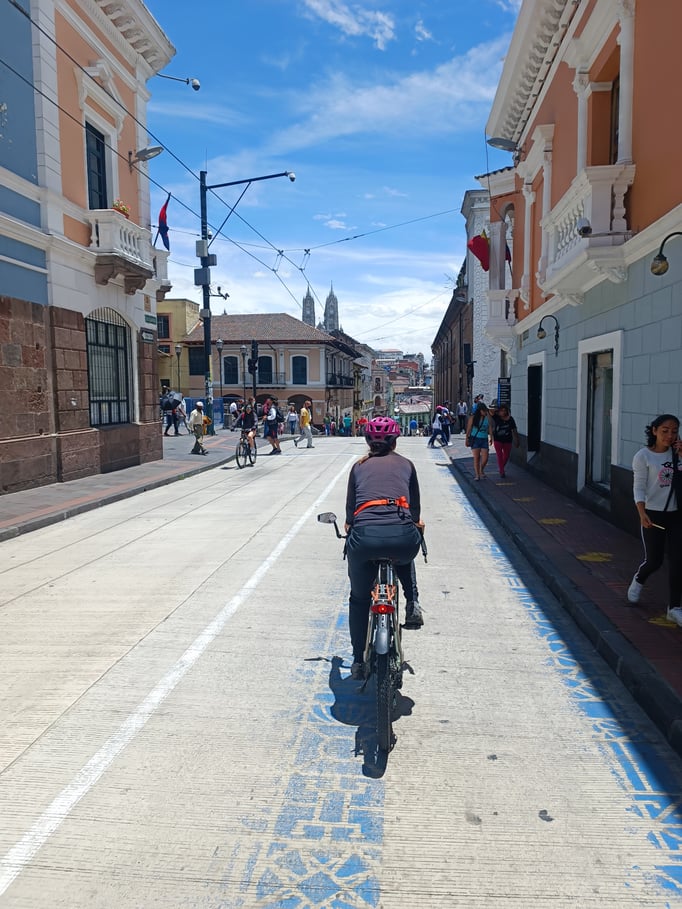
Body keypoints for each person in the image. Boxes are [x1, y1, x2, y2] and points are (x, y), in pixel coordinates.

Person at [344, 417, 425, 680]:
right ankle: (412, 601)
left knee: (359, 599)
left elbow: (349, 519)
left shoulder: (358, 467)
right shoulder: (407, 465)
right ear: (395, 440)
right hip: (402, 541)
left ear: (368, 440)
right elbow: (415, 512)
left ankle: (358, 660)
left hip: (364, 541)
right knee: (408, 538)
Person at [627, 413, 682, 625]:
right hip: (652, 513)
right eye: (665, 431)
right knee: (655, 560)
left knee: (678, 560)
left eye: (674, 431)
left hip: (676, 514)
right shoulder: (643, 456)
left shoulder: (677, 454)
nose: (669, 435)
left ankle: (674, 607)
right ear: (654, 431)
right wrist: (642, 513)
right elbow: (639, 487)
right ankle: (639, 579)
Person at [466, 402, 493, 480]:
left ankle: (481, 469)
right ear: (480, 411)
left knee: (485, 457)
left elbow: (490, 427)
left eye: (486, 410)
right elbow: (469, 429)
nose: (485, 412)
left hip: (484, 439)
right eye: (484, 411)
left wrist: (491, 437)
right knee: (476, 458)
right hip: (475, 438)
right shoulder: (473, 418)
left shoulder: (487, 417)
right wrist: (467, 438)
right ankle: (477, 475)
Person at [491, 404, 519, 478]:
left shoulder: (511, 419)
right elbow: (490, 411)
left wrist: (516, 440)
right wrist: (496, 410)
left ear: (507, 411)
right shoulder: (497, 417)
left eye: (504, 411)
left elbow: (514, 430)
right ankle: (502, 471)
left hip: (508, 440)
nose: (503, 412)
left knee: (506, 456)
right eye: (501, 411)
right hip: (498, 440)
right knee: (499, 456)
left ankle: (501, 468)